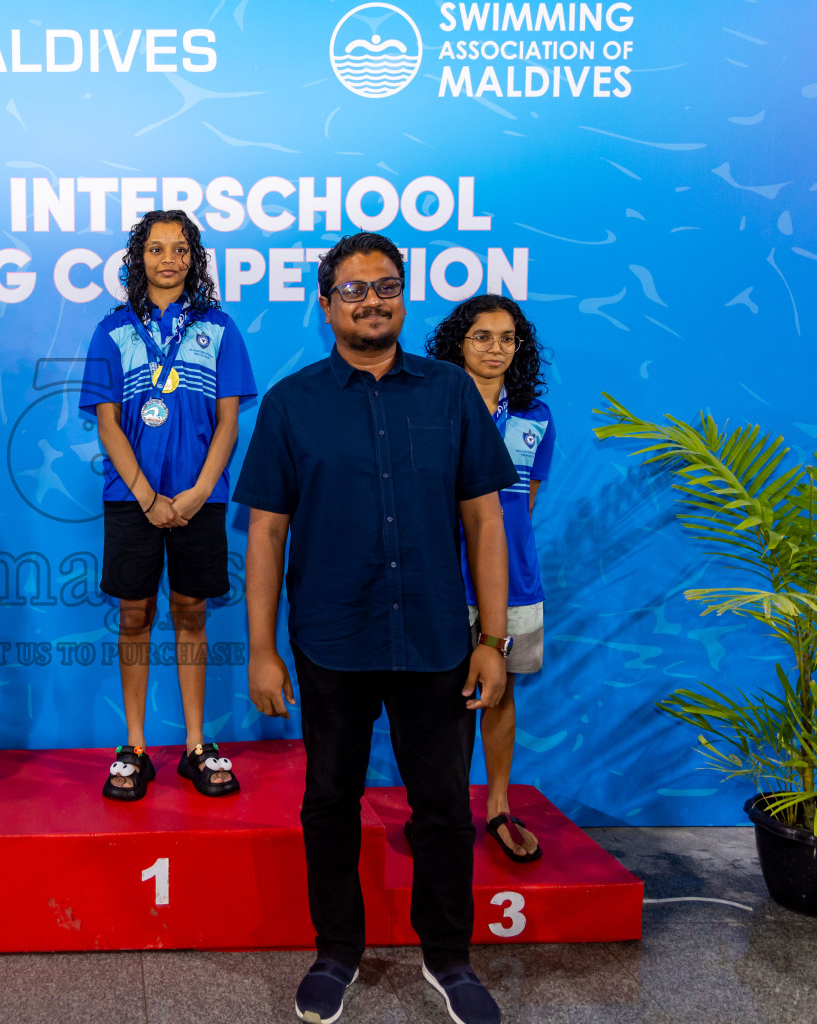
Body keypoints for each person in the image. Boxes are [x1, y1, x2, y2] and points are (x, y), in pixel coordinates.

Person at [234, 232, 516, 1024]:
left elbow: (485, 520)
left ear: (403, 295)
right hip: (332, 638)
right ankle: (337, 950)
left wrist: (491, 642)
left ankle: (449, 958)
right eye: (353, 290)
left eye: (385, 286)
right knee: (329, 799)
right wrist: (261, 649)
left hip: (433, 639)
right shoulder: (292, 404)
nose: (371, 301)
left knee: (442, 808)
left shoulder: (452, 393)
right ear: (326, 305)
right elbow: (264, 534)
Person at [79, 209, 256, 800]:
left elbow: (230, 422)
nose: (169, 259)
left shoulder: (221, 329)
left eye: (180, 249)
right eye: (156, 249)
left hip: (199, 497)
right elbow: (107, 424)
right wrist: (150, 497)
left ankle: (195, 744)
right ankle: (133, 746)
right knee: (134, 615)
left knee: (190, 612)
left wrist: (198, 492)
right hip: (133, 498)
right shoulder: (111, 331)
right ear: (139, 259)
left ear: (194, 259)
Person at [428, 295, 555, 863]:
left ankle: (498, 808)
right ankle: (439, 812)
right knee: (434, 701)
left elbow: (520, 507)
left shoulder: (536, 416)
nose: (495, 348)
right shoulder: (433, 407)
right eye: (482, 336)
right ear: (460, 342)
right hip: (441, 580)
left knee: (498, 696)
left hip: (516, 585)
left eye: (507, 338)